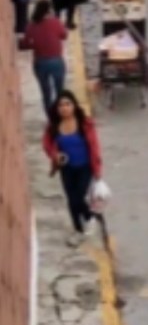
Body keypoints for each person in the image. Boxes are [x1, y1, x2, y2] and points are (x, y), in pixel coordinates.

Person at [42, 90, 103, 244]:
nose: (64, 108)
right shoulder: (54, 126)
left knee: (79, 197)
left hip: (85, 167)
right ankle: (78, 230)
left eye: (67, 104)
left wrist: (97, 169)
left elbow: (94, 146)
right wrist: (55, 156)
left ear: (74, 105)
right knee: (71, 200)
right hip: (67, 168)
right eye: (61, 105)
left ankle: (90, 217)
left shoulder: (85, 124)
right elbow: (47, 144)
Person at [23, 0, 68, 122]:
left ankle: (51, 118)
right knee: (60, 91)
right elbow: (64, 35)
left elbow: (25, 43)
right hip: (56, 61)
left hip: (40, 62)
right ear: (49, 10)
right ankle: (61, 116)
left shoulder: (31, 25)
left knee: (46, 92)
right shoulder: (55, 22)